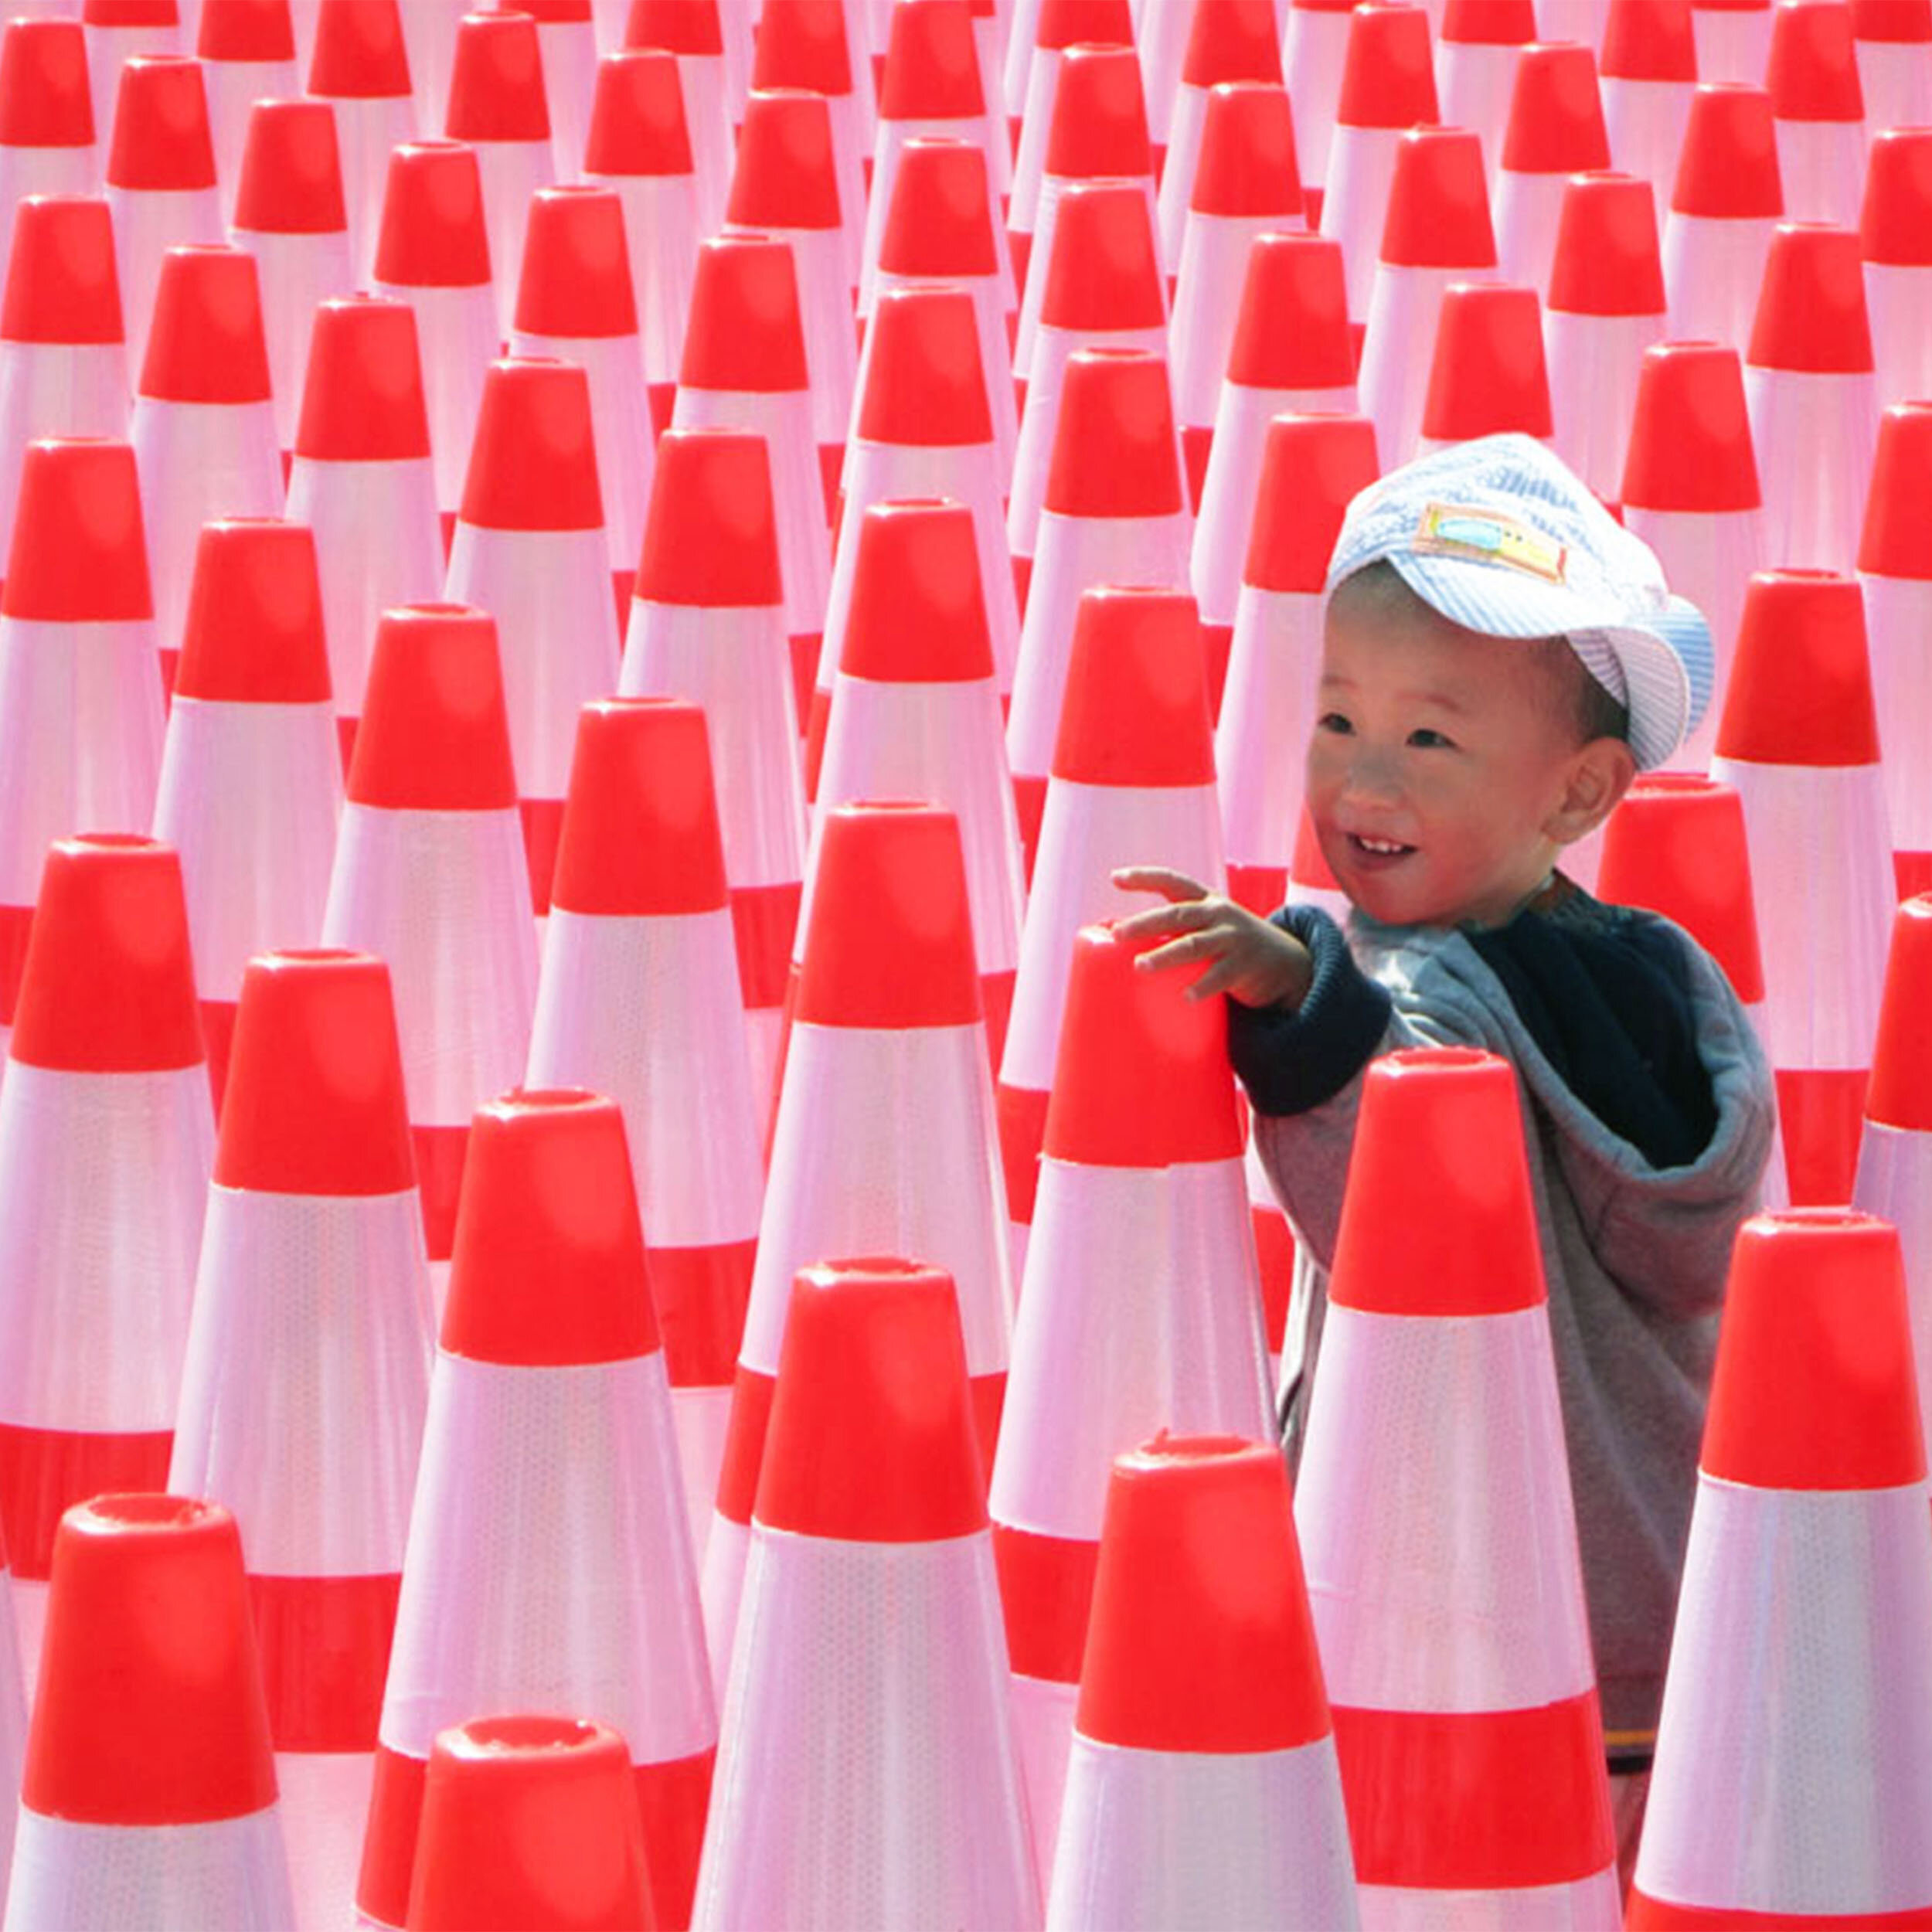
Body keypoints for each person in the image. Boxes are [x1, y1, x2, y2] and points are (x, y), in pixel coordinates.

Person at [1117, 434, 1776, 1866]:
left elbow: (1418, 1171)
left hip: (1464, 1607)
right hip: (1657, 1602)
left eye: (1429, 737)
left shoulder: (1413, 993)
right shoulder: (1664, 981)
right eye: (1338, 716)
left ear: (1579, 794)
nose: (1365, 776)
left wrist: (1306, 1006)